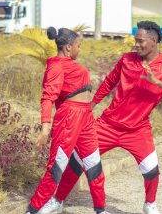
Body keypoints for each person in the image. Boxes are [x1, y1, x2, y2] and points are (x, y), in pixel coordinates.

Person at [44, 21, 162, 214]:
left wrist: (159, 83)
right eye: (135, 41)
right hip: (107, 124)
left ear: (154, 41)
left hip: (138, 130)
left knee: (151, 170)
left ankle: (150, 205)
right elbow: (108, 83)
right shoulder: (127, 60)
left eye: (140, 41)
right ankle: (57, 201)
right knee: (77, 160)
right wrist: (91, 105)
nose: (136, 45)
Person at [25, 27, 108, 214]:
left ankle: (101, 210)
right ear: (68, 47)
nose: (80, 49)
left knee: (94, 164)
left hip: (86, 117)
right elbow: (48, 98)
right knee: (56, 167)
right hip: (70, 118)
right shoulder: (56, 66)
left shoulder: (70, 64)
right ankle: (33, 210)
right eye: (79, 46)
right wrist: (45, 130)